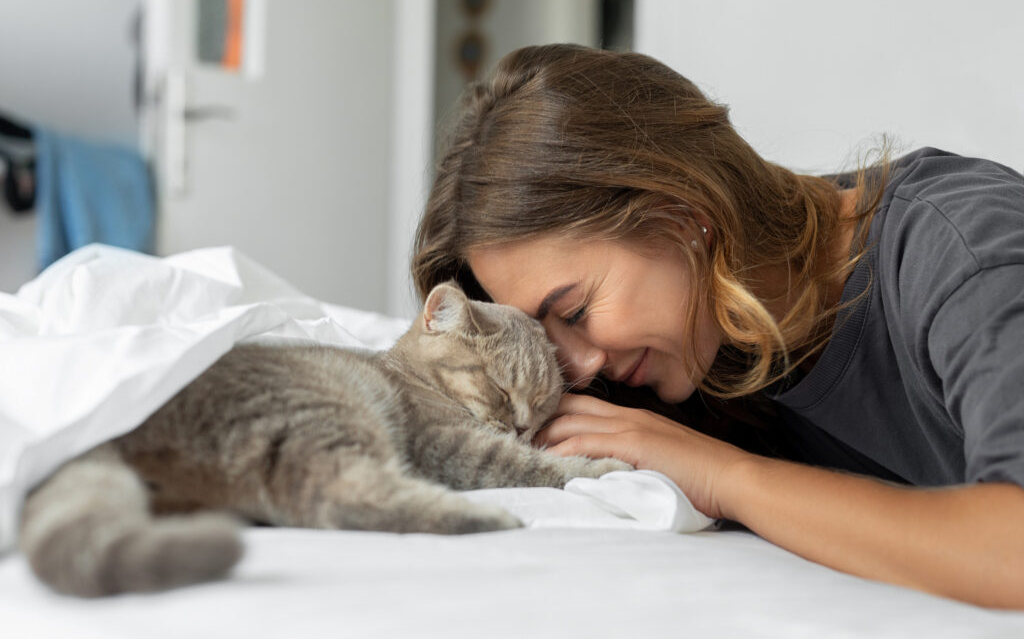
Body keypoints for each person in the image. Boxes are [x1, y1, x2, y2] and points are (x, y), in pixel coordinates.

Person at [411, 44, 1024, 609]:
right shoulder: (706, 345)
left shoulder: (966, 254)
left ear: (678, 212)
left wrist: (724, 476)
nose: (582, 365)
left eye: (574, 312)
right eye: (547, 336)